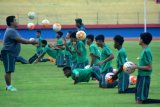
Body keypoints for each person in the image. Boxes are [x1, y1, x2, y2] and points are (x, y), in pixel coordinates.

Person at [1, 16, 37, 91]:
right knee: (8, 70)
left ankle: (9, 86)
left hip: (11, 53)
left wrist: (30, 42)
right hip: (8, 53)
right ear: (11, 22)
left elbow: (20, 39)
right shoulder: (11, 30)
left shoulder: (12, 30)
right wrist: (31, 42)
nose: (17, 22)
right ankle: (9, 86)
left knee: (9, 70)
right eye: (15, 20)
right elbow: (21, 40)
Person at [132, 32, 160, 104]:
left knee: (140, 101)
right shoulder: (144, 50)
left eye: (140, 38)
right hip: (140, 75)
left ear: (142, 40)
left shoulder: (146, 51)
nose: (139, 39)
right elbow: (144, 63)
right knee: (137, 101)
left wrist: (136, 67)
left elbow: (149, 67)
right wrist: (135, 65)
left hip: (144, 77)